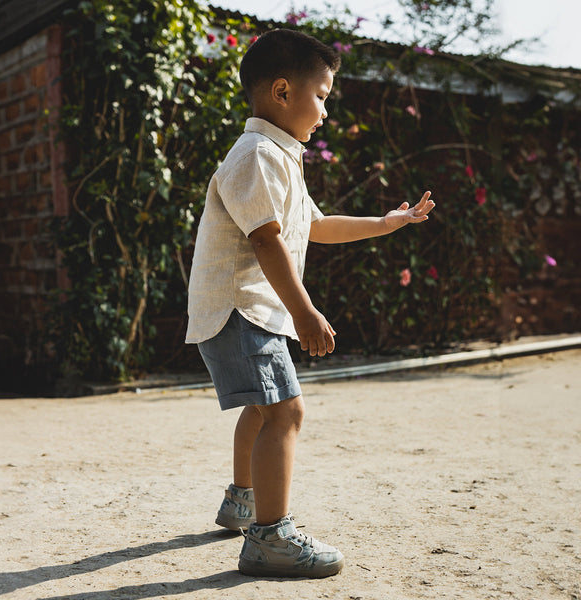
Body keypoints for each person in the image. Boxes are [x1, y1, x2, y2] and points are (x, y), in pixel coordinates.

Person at [186, 28, 435, 578]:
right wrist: (304, 312)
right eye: (321, 95)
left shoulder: (279, 157)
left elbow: (313, 226)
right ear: (281, 91)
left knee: (263, 407)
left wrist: (386, 223)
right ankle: (269, 538)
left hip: (247, 308)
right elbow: (266, 238)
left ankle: (242, 503)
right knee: (287, 411)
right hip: (241, 308)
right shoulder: (255, 155)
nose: (324, 109)